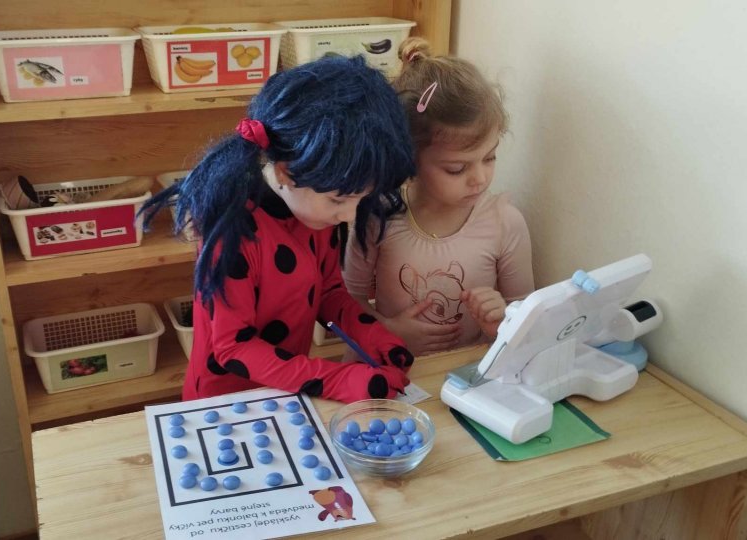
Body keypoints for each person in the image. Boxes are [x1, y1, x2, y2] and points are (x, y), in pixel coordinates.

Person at [139, 56, 416, 402]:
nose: (349, 215)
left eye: (362, 199)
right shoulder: (234, 232)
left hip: (289, 395)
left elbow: (329, 293)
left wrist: (374, 336)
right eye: (339, 200)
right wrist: (336, 380)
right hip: (224, 404)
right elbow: (233, 347)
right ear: (285, 171)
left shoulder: (314, 210)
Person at [343, 38, 535, 356]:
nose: (480, 178)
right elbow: (347, 299)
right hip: (389, 365)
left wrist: (500, 320)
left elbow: (527, 315)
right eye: (457, 169)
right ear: (410, 158)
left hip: (466, 372)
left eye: (490, 158)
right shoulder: (380, 214)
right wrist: (388, 332)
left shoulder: (505, 223)